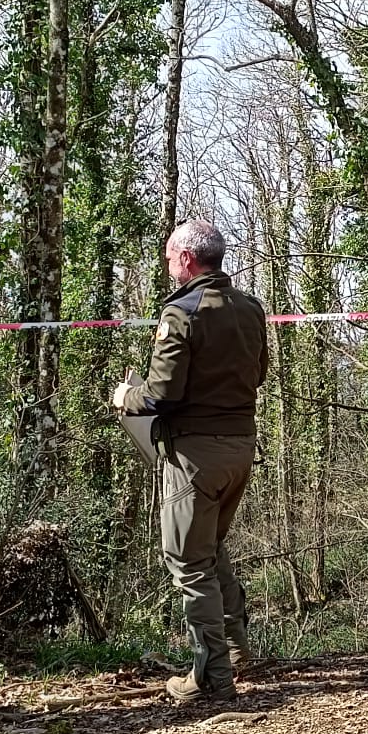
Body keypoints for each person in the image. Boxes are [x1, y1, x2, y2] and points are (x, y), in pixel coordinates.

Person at [109, 218, 269, 705]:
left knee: (188, 562)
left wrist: (125, 395)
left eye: (168, 257)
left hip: (193, 455)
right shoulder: (251, 308)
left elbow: (162, 392)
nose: (167, 264)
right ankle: (239, 650)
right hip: (240, 448)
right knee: (210, 547)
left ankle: (212, 677)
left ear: (186, 259)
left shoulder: (180, 313)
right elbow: (258, 375)